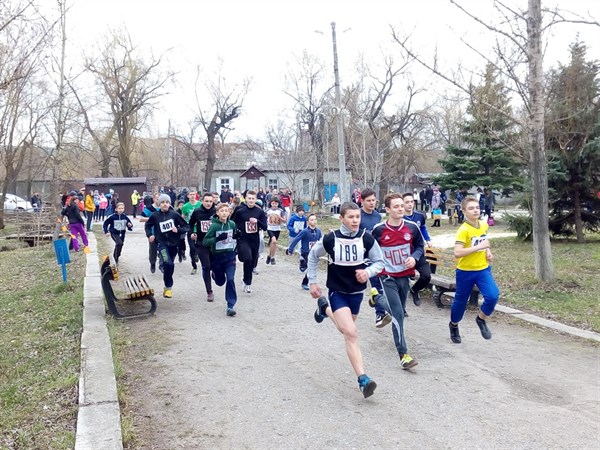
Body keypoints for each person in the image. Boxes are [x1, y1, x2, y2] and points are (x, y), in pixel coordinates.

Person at [307, 201, 384, 399]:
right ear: (341, 218)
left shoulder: (366, 238)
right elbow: (313, 256)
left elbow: (379, 262)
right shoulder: (331, 238)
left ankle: (324, 309)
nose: (355, 220)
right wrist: (313, 282)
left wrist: (367, 272)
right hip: (337, 290)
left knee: (345, 329)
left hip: (356, 293)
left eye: (357, 217)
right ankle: (363, 379)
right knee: (350, 332)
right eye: (350, 217)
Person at [372, 193, 423, 370]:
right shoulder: (379, 230)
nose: (401, 209)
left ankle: (376, 299)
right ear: (387, 210)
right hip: (387, 276)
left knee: (397, 314)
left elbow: (420, 247)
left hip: (404, 276)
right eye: (396, 206)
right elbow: (369, 250)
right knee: (398, 314)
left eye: (402, 206)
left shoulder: (412, 227)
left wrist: (415, 258)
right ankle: (404, 355)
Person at [449, 196, 499, 344]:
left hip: (483, 269)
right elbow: (457, 253)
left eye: (477, 207)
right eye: (471, 208)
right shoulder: (463, 230)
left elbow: (484, 242)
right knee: (460, 302)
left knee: (493, 296)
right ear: (464, 211)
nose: (475, 210)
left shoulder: (483, 225)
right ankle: (454, 325)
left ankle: (481, 319)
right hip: (465, 271)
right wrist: (479, 247)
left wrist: (487, 251)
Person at [145, 194, 190, 299]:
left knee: (170, 265)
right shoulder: (155, 215)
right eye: (163, 202)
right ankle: (169, 287)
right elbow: (147, 226)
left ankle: (167, 286)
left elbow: (186, 226)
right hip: (161, 244)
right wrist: (150, 235)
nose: (165, 204)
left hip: (174, 244)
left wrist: (178, 230)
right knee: (167, 263)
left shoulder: (174, 215)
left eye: (167, 202)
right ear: (159, 204)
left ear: (170, 204)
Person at [359, 187, 392, 328]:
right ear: (362, 201)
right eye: (369, 200)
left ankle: (380, 314)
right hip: (358, 256)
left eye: (374, 200)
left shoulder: (378, 216)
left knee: (376, 283)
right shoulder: (357, 215)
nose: (372, 203)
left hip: (373, 256)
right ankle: (373, 301)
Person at [203, 203, 239, 316]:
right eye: (221, 211)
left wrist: (237, 236)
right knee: (220, 282)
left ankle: (230, 306)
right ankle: (215, 275)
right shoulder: (214, 226)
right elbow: (205, 242)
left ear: (229, 213)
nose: (224, 213)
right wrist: (217, 239)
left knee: (230, 280)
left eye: (226, 211)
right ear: (217, 213)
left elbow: (235, 238)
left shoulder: (232, 224)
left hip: (230, 256)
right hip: (217, 258)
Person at [230, 190, 267, 293]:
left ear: (256, 200)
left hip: (254, 240)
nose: (251, 201)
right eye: (249, 198)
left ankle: (246, 280)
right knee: (247, 258)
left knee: (251, 261)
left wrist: (257, 222)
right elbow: (232, 222)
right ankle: (248, 284)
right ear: (245, 199)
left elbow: (265, 227)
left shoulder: (259, 212)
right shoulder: (240, 211)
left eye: (253, 199)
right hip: (243, 239)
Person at [402, 192, 432, 309]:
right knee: (403, 282)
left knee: (426, 276)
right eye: (407, 202)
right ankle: (402, 308)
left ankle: (414, 290)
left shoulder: (419, 216)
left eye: (411, 202)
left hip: (418, 252)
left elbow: (423, 228)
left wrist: (428, 239)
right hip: (405, 254)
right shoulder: (400, 218)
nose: (410, 204)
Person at [189, 192, 217, 301]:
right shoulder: (197, 212)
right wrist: (192, 233)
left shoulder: (216, 211)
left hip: (214, 242)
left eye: (211, 201)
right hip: (201, 242)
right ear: (202, 201)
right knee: (206, 266)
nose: (209, 203)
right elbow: (190, 224)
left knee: (215, 265)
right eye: (206, 201)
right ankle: (209, 292)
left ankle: (215, 272)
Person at [287, 213, 322, 290]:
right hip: (305, 251)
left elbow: (321, 241)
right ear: (308, 222)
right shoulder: (305, 231)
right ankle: (305, 282)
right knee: (310, 266)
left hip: (314, 252)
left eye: (315, 219)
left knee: (311, 267)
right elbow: (296, 239)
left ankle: (303, 263)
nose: (314, 221)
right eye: (312, 220)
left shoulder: (318, 231)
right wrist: (291, 249)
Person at [181, 189, 202, 275]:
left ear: (196, 195)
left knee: (200, 246)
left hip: (200, 229)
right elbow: (183, 217)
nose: (192, 196)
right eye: (191, 194)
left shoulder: (200, 205)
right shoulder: (185, 206)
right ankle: (194, 266)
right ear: (188, 196)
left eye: (194, 194)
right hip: (190, 228)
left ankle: (197, 254)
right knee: (192, 248)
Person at [139, 193, 161, 273]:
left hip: (162, 232)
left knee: (164, 248)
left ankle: (162, 264)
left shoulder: (164, 207)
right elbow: (141, 219)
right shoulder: (149, 208)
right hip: (152, 232)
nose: (159, 200)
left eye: (160, 198)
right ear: (154, 199)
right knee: (153, 249)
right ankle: (152, 263)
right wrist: (151, 219)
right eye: (157, 198)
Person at [265, 196, 286, 265]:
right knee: (274, 241)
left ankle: (269, 256)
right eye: (273, 203)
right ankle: (273, 258)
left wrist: (280, 218)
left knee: (273, 243)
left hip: (277, 228)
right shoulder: (267, 210)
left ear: (278, 204)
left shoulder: (281, 211)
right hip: (270, 228)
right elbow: (263, 218)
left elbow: (285, 220)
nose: (274, 205)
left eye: (276, 203)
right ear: (270, 203)